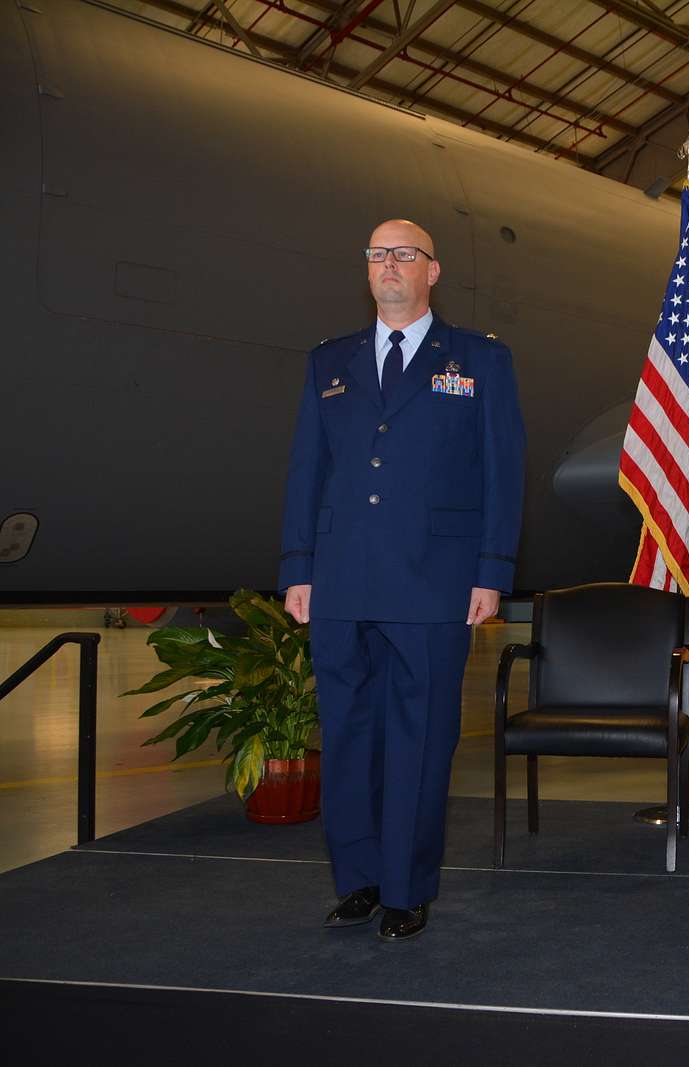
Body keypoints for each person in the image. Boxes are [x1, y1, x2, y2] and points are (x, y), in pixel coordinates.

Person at [278, 219, 526, 942]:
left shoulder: (480, 360)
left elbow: (501, 476)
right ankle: (357, 879)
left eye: (404, 254)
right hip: (342, 581)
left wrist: (492, 572)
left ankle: (407, 886)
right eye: (377, 255)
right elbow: (305, 473)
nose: (389, 265)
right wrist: (298, 568)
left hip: (434, 581)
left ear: (432, 271)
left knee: (420, 739)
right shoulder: (330, 361)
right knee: (349, 736)